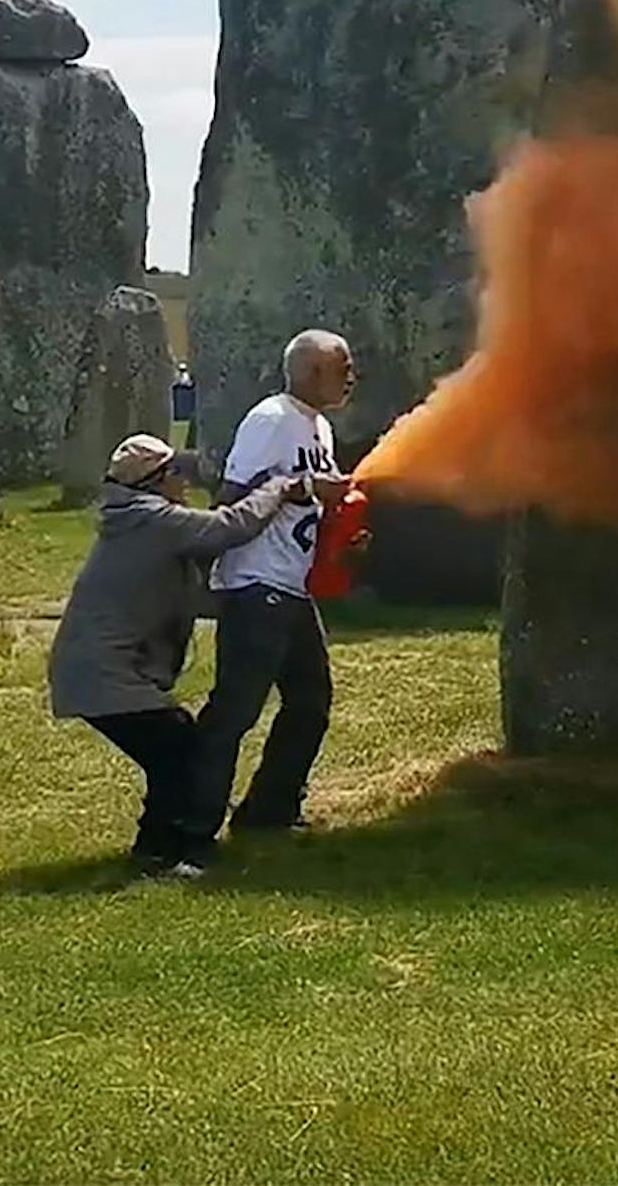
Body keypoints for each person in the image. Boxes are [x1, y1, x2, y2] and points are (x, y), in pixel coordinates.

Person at [46, 434, 309, 877]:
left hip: (96, 668)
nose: (184, 482)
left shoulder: (138, 522)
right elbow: (229, 528)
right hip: (105, 673)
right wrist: (280, 487)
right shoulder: (152, 520)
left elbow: (195, 595)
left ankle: (156, 848)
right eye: (176, 473)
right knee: (181, 752)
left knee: (175, 750)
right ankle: (163, 853)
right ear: (155, 481)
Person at [183, 330, 355, 858]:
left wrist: (338, 530)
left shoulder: (318, 427)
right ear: (308, 371)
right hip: (256, 585)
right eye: (341, 366)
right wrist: (205, 576)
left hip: (291, 587)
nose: (351, 376)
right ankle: (188, 828)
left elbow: (303, 503)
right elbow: (232, 498)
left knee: (310, 702)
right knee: (235, 711)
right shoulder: (272, 420)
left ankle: (268, 811)